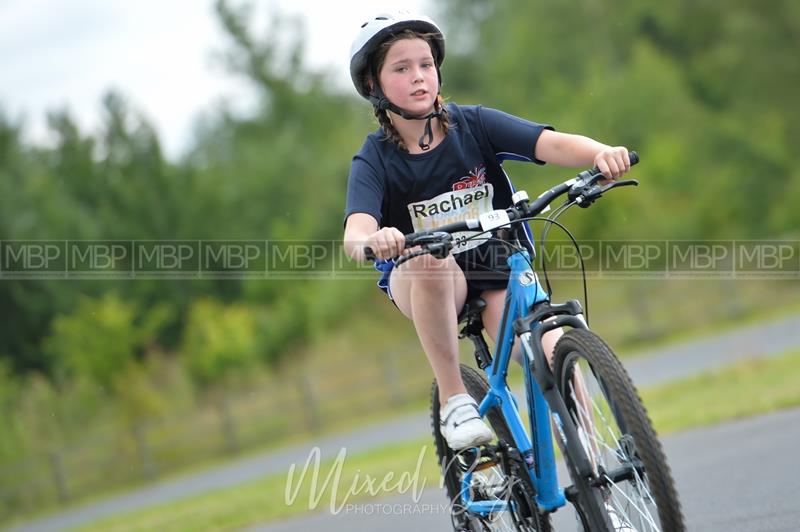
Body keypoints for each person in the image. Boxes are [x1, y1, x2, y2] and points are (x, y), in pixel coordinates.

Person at [343, 11, 631, 451]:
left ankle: (597, 481)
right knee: (430, 260)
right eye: (401, 69)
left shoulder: (472, 124)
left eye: (425, 64)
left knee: (553, 356)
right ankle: (455, 399)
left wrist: (601, 154)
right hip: (422, 276)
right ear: (373, 86)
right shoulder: (374, 158)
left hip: (490, 262)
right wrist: (373, 239)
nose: (419, 77)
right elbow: (356, 229)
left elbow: (548, 143)